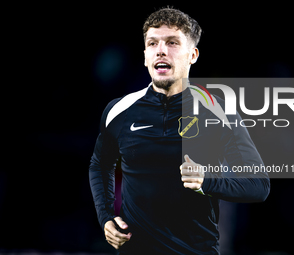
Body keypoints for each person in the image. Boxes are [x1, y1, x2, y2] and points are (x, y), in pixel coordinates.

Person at [89, 7, 270, 255]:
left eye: (172, 42)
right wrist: (106, 217)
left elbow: (258, 186)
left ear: (192, 55)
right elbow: (100, 165)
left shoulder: (218, 111)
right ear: (145, 56)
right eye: (152, 43)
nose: (161, 50)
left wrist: (207, 181)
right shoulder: (118, 110)